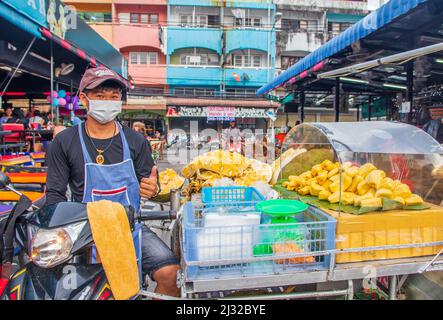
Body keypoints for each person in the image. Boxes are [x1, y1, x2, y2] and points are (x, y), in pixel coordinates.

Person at [45, 67, 180, 297]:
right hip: (86, 230)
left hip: (131, 227)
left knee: (172, 275)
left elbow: (150, 184)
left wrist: (153, 189)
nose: (108, 101)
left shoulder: (136, 141)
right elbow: (55, 196)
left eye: (114, 97)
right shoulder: (65, 142)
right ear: (84, 99)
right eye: (100, 96)